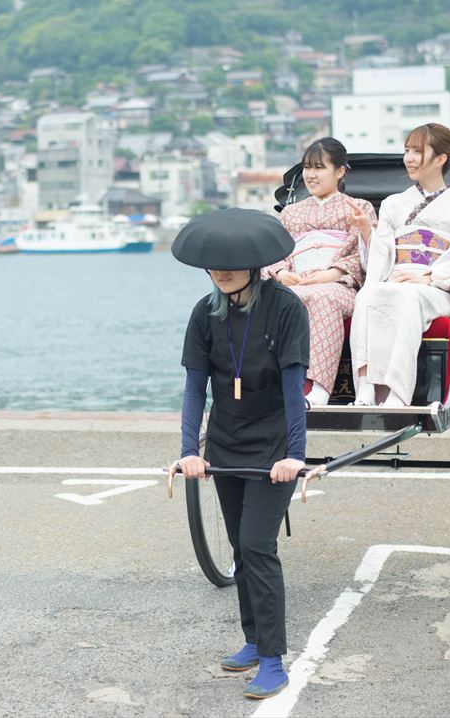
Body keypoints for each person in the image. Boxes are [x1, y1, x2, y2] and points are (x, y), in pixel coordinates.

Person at [169, 208, 321, 700]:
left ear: (255, 263)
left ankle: (274, 659)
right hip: (227, 443)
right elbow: (195, 389)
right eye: (214, 263)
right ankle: (253, 640)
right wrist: (189, 451)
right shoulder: (203, 314)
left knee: (258, 545)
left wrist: (296, 455)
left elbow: (295, 385)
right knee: (239, 545)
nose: (223, 269)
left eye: (233, 263)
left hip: (274, 444)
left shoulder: (285, 308)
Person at [348, 123, 450, 407]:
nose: (409, 157)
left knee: (407, 296)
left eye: (417, 151)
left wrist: (429, 278)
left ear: (441, 159)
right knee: (368, 294)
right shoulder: (394, 203)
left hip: (433, 288)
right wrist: (366, 232)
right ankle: (366, 389)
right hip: (397, 278)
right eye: (407, 150)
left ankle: (397, 392)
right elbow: (382, 252)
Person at [262, 137, 377, 407]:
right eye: (306, 167)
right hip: (297, 282)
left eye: (319, 168)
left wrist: (332, 273)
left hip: (339, 287)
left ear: (339, 172)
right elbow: (275, 253)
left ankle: (319, 389)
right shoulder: (290, 213)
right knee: (271, 299)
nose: (310, 175)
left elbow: (365, 255)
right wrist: (281, 273)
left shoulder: (359, 208)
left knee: (321, 298)